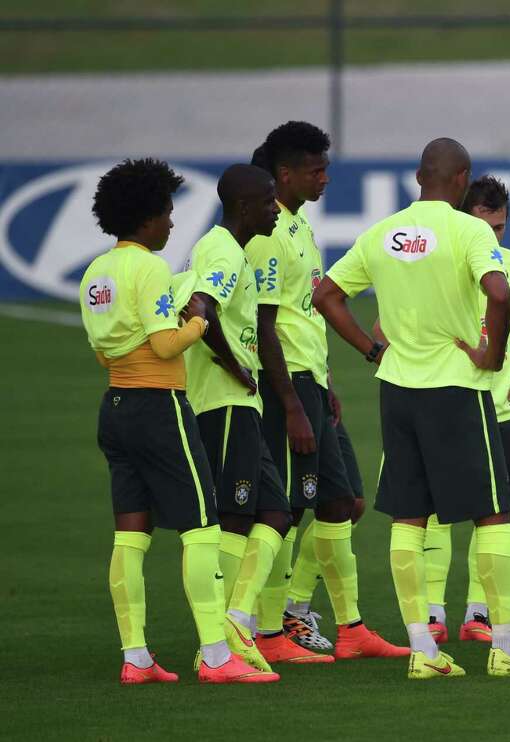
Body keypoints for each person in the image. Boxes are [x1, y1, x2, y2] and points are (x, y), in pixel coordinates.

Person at [314, 137, 510, 678]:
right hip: (456, 390)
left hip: (398, 390)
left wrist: (374, 350)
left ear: (419, 176)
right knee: (492, 513)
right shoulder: (468, 229)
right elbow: (499, 292)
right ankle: (507, 648)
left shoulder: (382, 232)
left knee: (408, 516)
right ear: (462, 177)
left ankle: (423, 651)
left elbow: (327, 295)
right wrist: (493, 355)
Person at [80, 158, 276, 684]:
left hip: (115, 407)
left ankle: (136, 657)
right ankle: (217, 657)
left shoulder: (95, 274)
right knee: (202, 529)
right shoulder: (149, 269)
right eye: (167, 214)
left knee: (130, 537)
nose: (171, 224)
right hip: (158, 408)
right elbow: (168, 344)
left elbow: (103, 353)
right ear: (146, 218)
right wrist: (197, 322)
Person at [247, 121, 405, 661]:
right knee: (288, 508)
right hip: (285, 385)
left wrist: (327, 382)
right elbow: (266, 324)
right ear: (284, 174)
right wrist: (290, 402)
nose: (325, 178)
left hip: (311, 380)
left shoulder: (298, 227)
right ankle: (269, 631)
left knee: (345, 502)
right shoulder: (268, 233)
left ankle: (348, 629)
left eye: (326, 168)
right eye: (315, 170)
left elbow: (302, 313)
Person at [177, 164, 332, 669]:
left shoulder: (231, 249)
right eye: (268, 201)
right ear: (245, 207)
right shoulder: (222, 249)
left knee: (277, 514)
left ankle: (237, 624)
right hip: (222, 403)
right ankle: (217, 642)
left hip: (241, 405)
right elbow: (199, 309)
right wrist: (232, 364)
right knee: (237, 518)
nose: (274, 209)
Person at [409, 175, 510, 645]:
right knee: (432, 513)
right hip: (448, 406)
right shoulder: (439, 265)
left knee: (493, 516)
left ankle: (478, 612)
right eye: (484, 226)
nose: (493, 238)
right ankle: (433, 612)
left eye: (500, 227)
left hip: (501, 414)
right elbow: (385, 324)